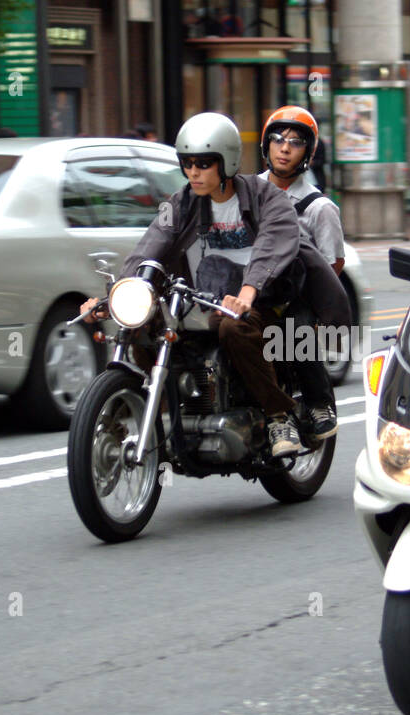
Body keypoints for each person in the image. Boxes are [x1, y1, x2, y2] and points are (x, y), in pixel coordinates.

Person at [80, 112, 348, 457]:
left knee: (232, 326)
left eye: (204, 163)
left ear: (227, 162)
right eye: (187, 163)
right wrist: (112, 298)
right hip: (203, 302)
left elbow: (273, 244)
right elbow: (150, 247)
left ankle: (278, 415)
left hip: (267, 303)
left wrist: (248, 291)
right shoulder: (180, 204)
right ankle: (163, 404)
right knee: (144, 326)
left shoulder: (267, 196)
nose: (194, 171)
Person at [259, 104, 343, 439]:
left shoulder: (319, 208)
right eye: (278, 138)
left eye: (295, 142)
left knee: (296, 331)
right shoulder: (249, 190)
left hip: (294, 295)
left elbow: (332, 264)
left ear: (308, 151)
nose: (284, 147)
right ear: (266, 144)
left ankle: (319, 402)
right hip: (249, 288)